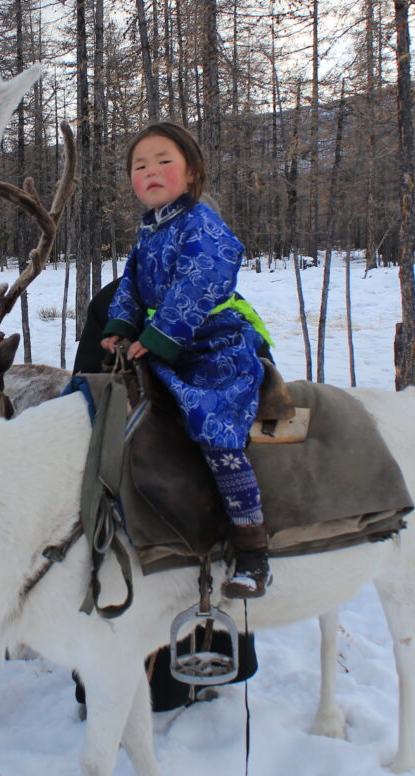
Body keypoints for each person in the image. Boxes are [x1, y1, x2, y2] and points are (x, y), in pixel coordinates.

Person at [101, 120, 271, 599]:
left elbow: (199, 284)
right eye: (140, 165)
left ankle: (252, 549)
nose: (150, 171)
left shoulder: (202, 224)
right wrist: (120, 327)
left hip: (214, 346)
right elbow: (131, 287)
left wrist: (159, 336)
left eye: (163, 161)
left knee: (214, 427)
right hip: (167, 346)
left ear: (192, 173)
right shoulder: (148, 233)